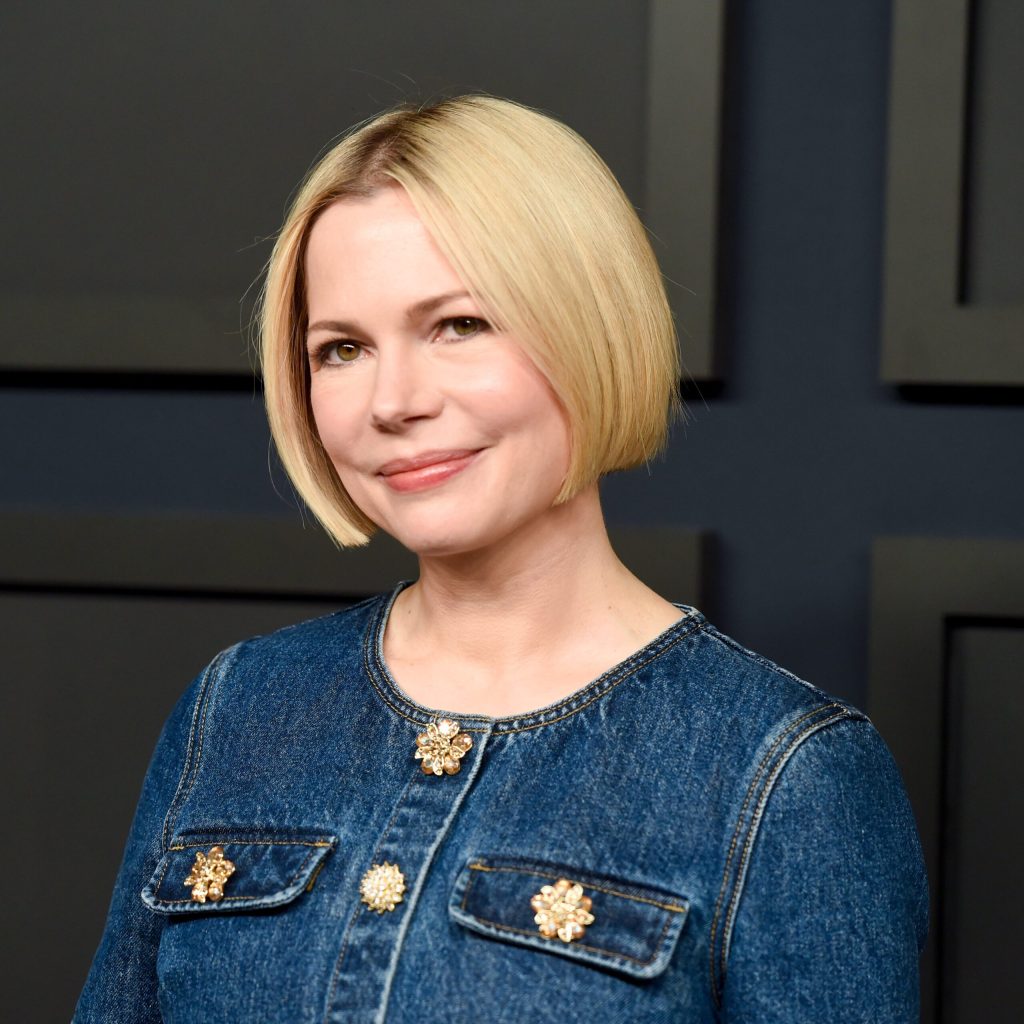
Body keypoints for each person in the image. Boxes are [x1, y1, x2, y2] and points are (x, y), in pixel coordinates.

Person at [75, 95, 928, 1022]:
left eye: (459, 325)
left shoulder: (786, 772)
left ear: (590, 324)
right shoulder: (238, 706)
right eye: (343, 348)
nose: (393, 401)